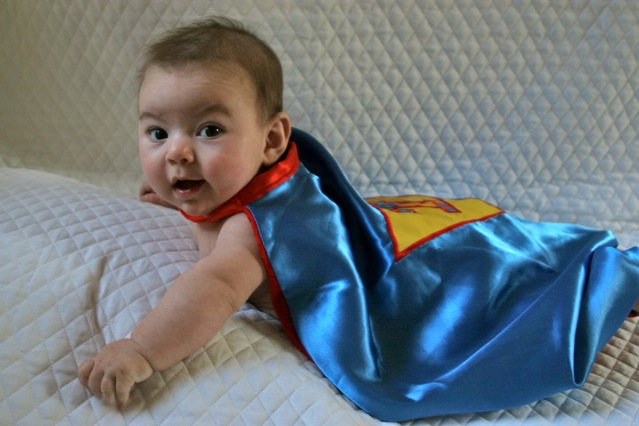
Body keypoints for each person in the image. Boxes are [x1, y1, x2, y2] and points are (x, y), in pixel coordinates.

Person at [78, 16, 639, 422]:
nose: (177, 153)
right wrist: (181, 199)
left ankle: (613, 279)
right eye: (158, 132)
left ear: (272, 140)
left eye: (209, 130)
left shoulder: (253, 229)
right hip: (373, 228)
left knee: (505, 284)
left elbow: (212, 289)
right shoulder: (225, 187)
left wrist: (142, 349)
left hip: (400, 280)